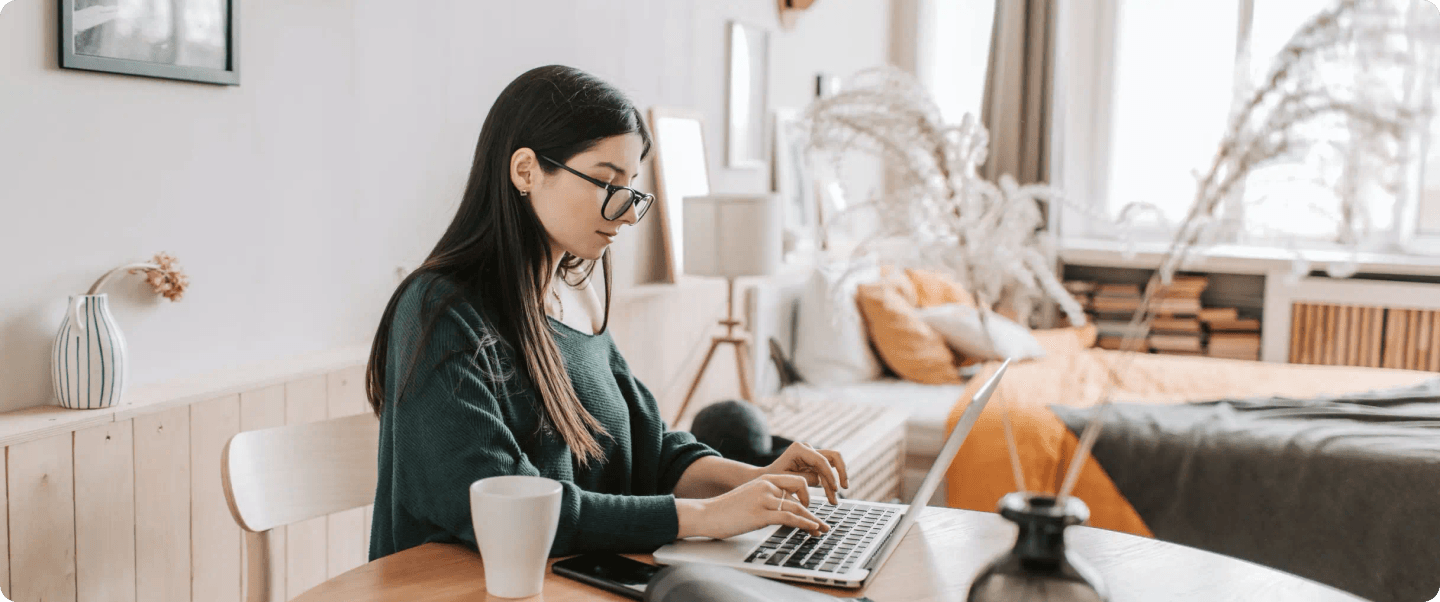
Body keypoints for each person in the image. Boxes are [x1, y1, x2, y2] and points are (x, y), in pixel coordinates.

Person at [364, 65, 848, 560]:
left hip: (575, 581)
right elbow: (508, 509)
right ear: (526, 170)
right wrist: (704, 518)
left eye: (632, 189)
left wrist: (760, 481)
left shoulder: (577, 296)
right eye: (605, 182)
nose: (624, 212)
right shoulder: (439, 313)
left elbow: (651, 450)